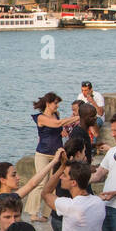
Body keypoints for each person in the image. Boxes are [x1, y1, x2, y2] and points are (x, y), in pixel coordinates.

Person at [26, 92, 77, 221]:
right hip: (43, 153)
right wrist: (76, 118)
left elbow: (59, 128)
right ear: (48, 103)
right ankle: (33, 213)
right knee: (41, 182)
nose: (57, 106)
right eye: (55, 103)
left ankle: (46, 214)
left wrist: (63, 131)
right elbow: (57, 124)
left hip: (56, 153)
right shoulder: (41, 118)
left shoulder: (56, 115)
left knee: (53, 183)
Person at [0, 157, 56, 231]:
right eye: (13, 175)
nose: (18, 178)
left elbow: (32, 184)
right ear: (3, 180)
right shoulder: (1, 201)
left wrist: (54, 162)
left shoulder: (7, 197)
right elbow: (32, 184)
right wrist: (54, 161)